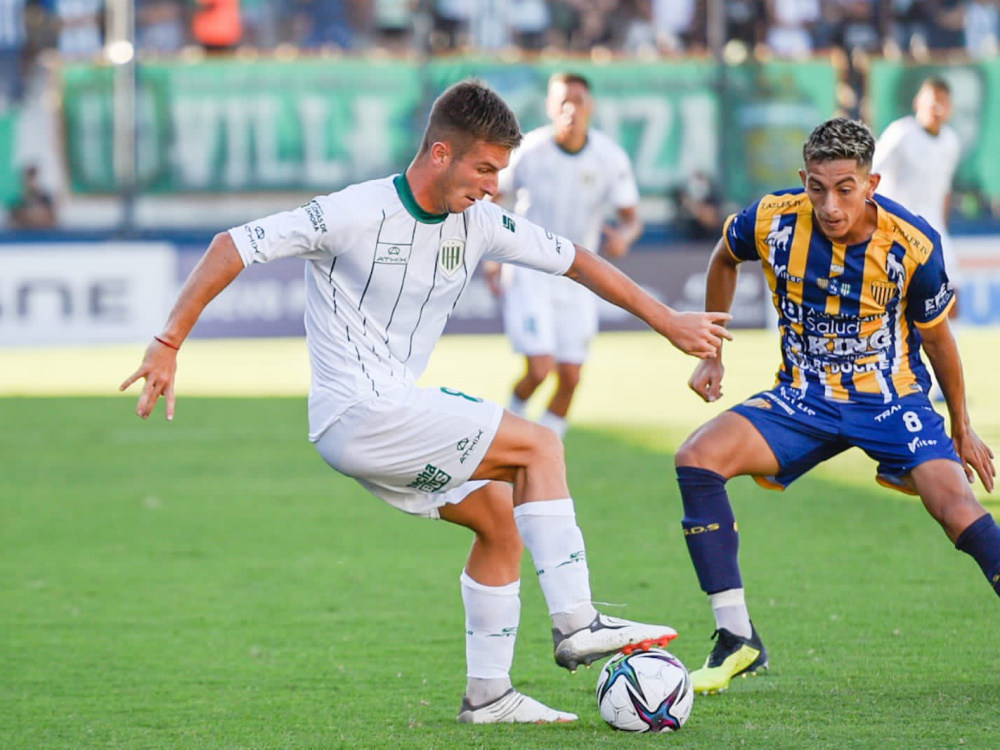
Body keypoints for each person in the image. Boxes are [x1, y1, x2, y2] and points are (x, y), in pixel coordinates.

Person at [121, 80, 733, 724]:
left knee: (497, 518)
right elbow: (232, 245)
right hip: (363, 413)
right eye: (484, 169)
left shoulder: (480, 222)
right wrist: (168, 342)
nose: (494, 186)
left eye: (500, 172)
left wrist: (667, 320)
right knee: (539, 445)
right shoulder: (355, 211)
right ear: (441, 153)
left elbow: (578, 260)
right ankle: (577, 622)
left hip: (377, 418)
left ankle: (489, 696)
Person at [673, 117, 996, 697]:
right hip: (803, 397)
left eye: (845, 189)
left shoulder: (911, 243)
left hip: (890, 398)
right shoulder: (773, 219)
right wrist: (712, 353)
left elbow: (939, 339)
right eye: (818, 188)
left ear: (871, 184)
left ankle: (913, 467)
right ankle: (736, 638)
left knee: (956, 508)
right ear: (804, 179)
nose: (830, 205)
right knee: (696, 459)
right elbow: (724, 256)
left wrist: (962, 427)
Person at [484, 72, 643, 439]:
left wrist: (624, 237)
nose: (571, 109)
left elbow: (631, 218)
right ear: (550, 107)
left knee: (571, 377)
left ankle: (544, 447)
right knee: (540, 368)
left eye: (578, 100)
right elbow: (493, 200)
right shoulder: (528, 150)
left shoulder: (610, 157)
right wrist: (491, 258)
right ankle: (507, 434)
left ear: (591, 107)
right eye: (563, 101)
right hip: (529, 269)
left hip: (579, 275)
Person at [873, 77, 963, 400]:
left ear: (949, 108)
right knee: (892, 306)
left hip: (934, 231)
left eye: (943, 101)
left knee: (952, 300)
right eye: (931, 100)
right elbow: (870, 175)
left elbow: (944, 190)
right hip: (898, 231)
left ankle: (941, 383)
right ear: (917, 103)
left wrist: (943, 231)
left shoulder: (951, 141)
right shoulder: (900, 134)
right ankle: (887, 374)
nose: (936, 107)